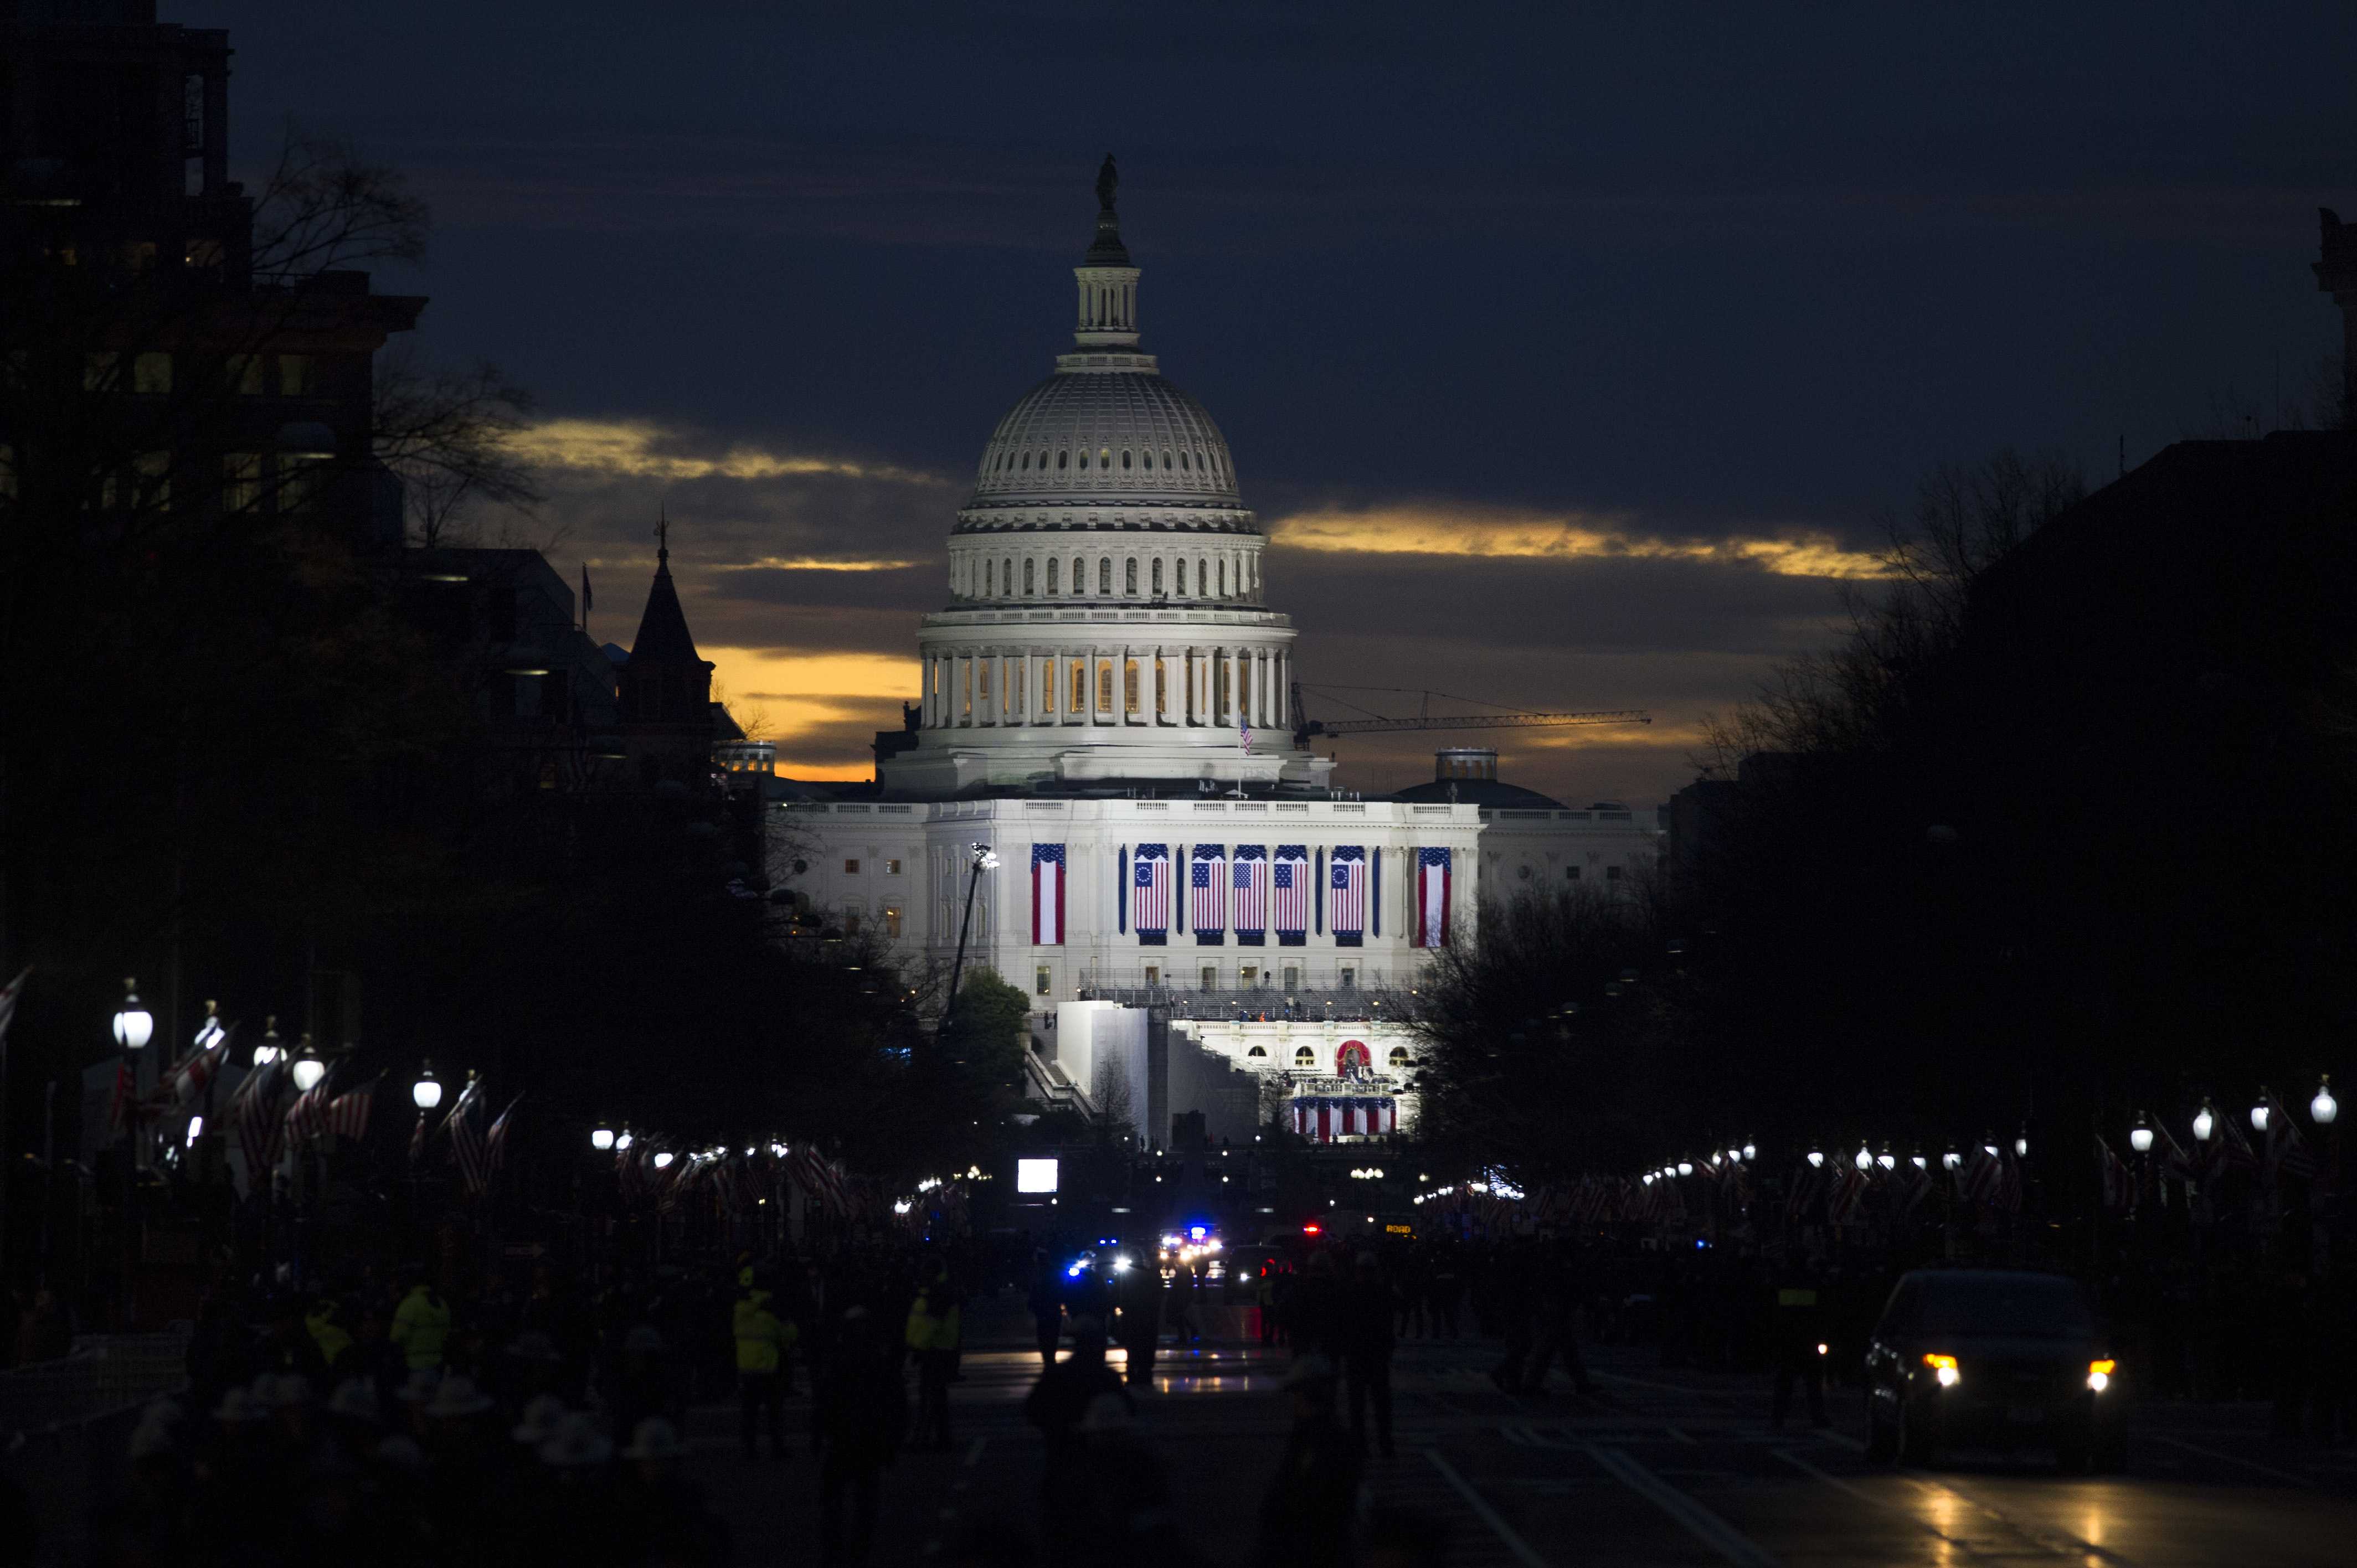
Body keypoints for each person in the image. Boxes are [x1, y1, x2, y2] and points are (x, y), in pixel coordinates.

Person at [813, 1306, 905, 1567]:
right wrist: (892, 1443)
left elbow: (825, 1400)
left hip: (843, 1439)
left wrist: (818, 1434)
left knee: (835, 1501)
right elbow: (896, 1406)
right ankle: (857, 1553)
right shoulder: (880, 1362)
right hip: (868, 1440)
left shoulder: (839, 1360)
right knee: (864, 1502)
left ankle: (835, 1552)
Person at [1254, 1355, 1360, 1568]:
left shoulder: (1321, 1440)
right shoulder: (1318, 1435)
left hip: (1310, 1548)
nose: (1295, 1402)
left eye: (1298, 1394)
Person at [1339, 1254, 1397, 1459]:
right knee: (1381, 1403)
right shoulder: (1383, 1293)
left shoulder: (1350, 1293)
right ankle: (1385, 1443)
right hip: (1377, 1354)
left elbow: (1343, 1325)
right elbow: (1389, 1322)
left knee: (1357, 1405)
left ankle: (1360, 1444)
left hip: (1357, 1354)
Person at [734, 1278, 795, 1461]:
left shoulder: (740, 1318)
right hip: (768, 1370)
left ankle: (749, 1449)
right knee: (774, 1413)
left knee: (749, 1414)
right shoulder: (769, 1320)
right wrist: (788, 1322)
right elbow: (788, 1338)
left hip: (747, 1370)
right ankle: (777, 1448)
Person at [906, 1263, 963, 1450]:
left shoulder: (938, 1294)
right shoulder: (938, 1292)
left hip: (935, 1351)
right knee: (935, 1397)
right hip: (936, 1350)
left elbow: (932, 1324)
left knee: (931, 1398)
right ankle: (940, 1437)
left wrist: (917, 1346)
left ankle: (926, 1438)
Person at [1769, 1257, 1829, 1428]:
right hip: (1809, 1338)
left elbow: (1773, 1311)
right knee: (1813, 1383)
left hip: (1788, 1339)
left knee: (1784, 1382)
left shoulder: (1782, 1280)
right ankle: (1817, 1417)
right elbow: (1823, 1310)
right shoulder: (1813, 1281)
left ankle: (1778, 1418)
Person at [389, 1271, 451, 1383]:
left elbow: (397, 1336)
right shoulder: (442, 1304)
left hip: (414, 1365)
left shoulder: (410, 1304)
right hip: (438, 1365)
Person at [1115, 1252, 1165, 1388]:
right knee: (1147, 1345)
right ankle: (1145, 1371)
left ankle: (1133, 1371)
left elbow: (1119, 1296)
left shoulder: (1126, 1277)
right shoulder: (1151, 1277)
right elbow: (1159, 1296)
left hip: (1133, 1316)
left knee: (1133, 1347)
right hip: (1148, 1317)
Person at [1027, 1250, 1066, 1366]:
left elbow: (1034, 1291)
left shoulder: (1039, 1274)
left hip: (1045, 1308)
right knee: (1052, 1334)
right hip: (1051, 1308)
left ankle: (1048, 1357)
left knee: (1044, 1334)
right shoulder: (1053, 1272)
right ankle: (1050, 1357)